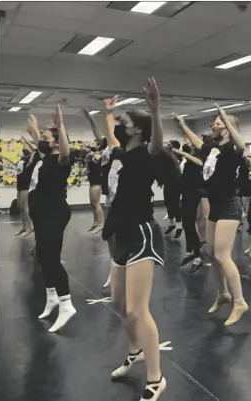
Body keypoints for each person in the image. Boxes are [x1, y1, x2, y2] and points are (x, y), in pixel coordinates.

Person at [102, 78, 170, 401]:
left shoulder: (145, 154)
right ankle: (134, 352)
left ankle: (156, 379)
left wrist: (155, 111)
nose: (119, 124)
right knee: (118, 304)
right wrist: (106, 113)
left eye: (124, 122)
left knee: (137, 311)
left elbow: (158, 143)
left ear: (137, 130)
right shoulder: (122, 153)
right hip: (122, 234)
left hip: (142, 233)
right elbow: (108, 131)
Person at [178, 104, 249, 326]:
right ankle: (222, 293)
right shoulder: (213, 148)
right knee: (209, 251)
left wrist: (225, 118)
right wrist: (182, 124)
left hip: (229, 205)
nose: (213, 125)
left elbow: (241, 143)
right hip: (216, 205)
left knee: (223, 255)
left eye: (217, 123)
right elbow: (198, 143)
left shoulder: (234, 150)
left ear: (227, 129)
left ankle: (239, 302)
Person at [29, 105, 76, 333]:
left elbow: (65, 152)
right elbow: (38, 139)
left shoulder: (62, 160)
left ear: (57, 142)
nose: (42, 141)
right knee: (42, 257)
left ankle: (66, 304)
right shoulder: (46, 157)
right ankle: (51, 297)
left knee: (51, 258)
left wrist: (61, 124)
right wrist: (37, 128)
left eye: (47, 138)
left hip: (54, 213)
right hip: (40, 212)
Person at [82, 108, 117, 288]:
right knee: (110, 234)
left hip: (125, 197)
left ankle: (125, 270)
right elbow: (99, 134)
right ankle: (115, 268)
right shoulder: (106, 147)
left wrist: (108, 115)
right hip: (111, 196)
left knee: (123, 236)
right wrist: (91, 118)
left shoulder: (121, 148)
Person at [170, 140, 205, 271]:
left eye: (190, 143)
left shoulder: (198, 159)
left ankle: (198, 257)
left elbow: (200, 163)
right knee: (186, 225)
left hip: (193, 194)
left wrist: (179, 151)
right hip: (186, 193)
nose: (188, 144)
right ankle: (189, 252)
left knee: (190, 225)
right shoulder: (187, 160)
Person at [162, 141, 183, 239]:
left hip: (176, 183)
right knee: (168, 203)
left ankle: (179, 227)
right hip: (168, 183)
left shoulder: (176, 157)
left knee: (175, 204)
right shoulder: (167, 156)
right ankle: (172, 224)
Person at [86, 143, 104, 234]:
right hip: (92, 181)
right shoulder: (91, 155)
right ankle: (95, 222)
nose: (91, 144)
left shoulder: (99, 155)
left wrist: (95, 154)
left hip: (97, 181)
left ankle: (100, 225)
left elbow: (96, 160)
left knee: (96, 203)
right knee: (92, 204)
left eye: (93, 143)